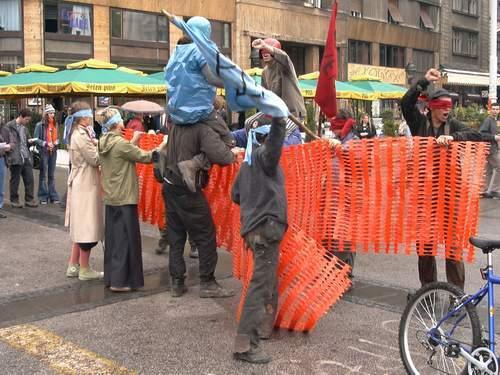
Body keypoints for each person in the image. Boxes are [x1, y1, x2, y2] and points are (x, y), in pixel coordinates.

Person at [163, 15, 238, 298]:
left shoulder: (176, 124)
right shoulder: (201, 125)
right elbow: (223, 157)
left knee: (176, 237)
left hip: (169, 186)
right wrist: (230, 150)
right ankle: (207, 282)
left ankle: (176, 283)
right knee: (205, 235)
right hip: (188, 188)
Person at [401, 68, 483, 291]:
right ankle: (427, 290)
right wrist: (423, 82)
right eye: (443, 107)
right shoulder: (418, 124)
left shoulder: (454, 125)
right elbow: (405, 104)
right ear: (432, 108)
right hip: (424, 197)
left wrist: (454, 137)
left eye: (450, 106)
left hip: (449, 197)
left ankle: (457, 293)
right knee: (425, 246)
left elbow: (476, 136)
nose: (448, 110)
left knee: (453, 247)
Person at [232, 117, 288, 364]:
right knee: (260, 285)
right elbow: (276, 139)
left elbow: (236, 195)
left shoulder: (247, 163)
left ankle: (264, 327)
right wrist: (279, 117)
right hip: (266, 229)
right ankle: (245, 345)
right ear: (266, 138)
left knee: (266, 280)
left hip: (255, 230)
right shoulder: (266, 157)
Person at [98, 107, 154, 292]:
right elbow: (146, 157)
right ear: (117, 123)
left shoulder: (104, 140)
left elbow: (121, 154)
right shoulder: (121, 144)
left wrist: (133, 141)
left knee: (114, 239)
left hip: (112, 196)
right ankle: (120, 281)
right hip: (125, 197)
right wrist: (163, 145)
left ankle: (112, 278)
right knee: (125, 240)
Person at [64, 101, 104, 281]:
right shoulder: (80, 135)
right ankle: (85, 269)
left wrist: (95, 141)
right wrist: (104, 146)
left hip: (82, 182)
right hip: (85, 184)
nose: (92, 117)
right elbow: (95, 159)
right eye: (90, 115)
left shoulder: (80, 132)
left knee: (79, 226)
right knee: (87, 227)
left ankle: (73, 264)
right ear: (84, 117)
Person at [0, 109, 38, 208]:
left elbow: (27, 139)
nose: (27, 122)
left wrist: (30, 141)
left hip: (25, 156)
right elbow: (6, 140)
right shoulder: (9, 126)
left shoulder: (24, 128)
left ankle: (29, 199)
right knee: (15, 180)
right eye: (26, 119)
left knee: (29, 178)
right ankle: (14, 200)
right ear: (20, 116)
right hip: (15, 156)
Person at [34, 104, 60, 204]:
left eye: (53, 113)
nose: (52, 115)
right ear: (46, 114)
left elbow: (57, 137)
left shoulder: (55, 124)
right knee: (43, 174)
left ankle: (53, 195)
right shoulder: (39, 125)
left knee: (51, 174)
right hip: (44, 152)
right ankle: (43, 196)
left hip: (53, 151)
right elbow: (36, 139)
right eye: (50, 113)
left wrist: (56, 142)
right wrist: (45, 143)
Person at [479, 103, 500, 199]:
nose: (495, 111)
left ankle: (484, 190)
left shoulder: (495, 121)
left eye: (497, 109)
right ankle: (495, 190)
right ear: (490, 110)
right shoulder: (488, 120)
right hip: (491, 149)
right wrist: (494, 137)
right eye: (493, 109)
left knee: (488, 170)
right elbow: (481, 134)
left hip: (490, 149)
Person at [0, 124, 10, 218]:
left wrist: (9, 146)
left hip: (1, 159)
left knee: (1, 187)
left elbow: (12, 141)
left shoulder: (5, 130)